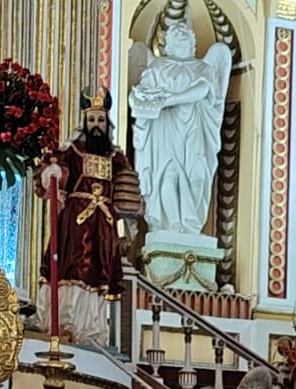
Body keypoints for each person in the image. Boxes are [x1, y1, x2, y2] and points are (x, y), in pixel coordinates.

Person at [36, 85, 142, 344]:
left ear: (107, 123)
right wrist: (53, 174)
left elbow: (128, 190)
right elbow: (49, 173)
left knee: (99, 276)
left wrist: (127, 218)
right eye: (92, 119)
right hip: (75, 224)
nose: (96, 125)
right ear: (85, 122)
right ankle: (65, 323)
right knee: (71, 271)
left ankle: (92, 330)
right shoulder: (71, 151)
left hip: (103, 225)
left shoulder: (116, 157)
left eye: (101, 120)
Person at [129, 16, 233, 236]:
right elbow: (137, 96)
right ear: (167, 43)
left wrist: (167, 100)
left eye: (185, 32)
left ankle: (191, 226)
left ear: (192, 41)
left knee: (197, 176)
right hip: (165, 131)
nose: (182, 33)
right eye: (176, 33)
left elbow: (203, 90)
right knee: (168, 177)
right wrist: (141, 102)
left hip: (193, 129)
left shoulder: (202, 67)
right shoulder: (157, 66)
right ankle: (170, 227)